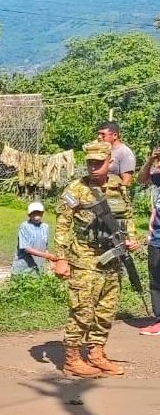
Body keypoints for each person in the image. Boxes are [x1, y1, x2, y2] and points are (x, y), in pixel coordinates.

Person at [53, 141, 139, 378]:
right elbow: (62, 224)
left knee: (105, 310)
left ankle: (97, 353)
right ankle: (71, 359)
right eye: (89, 163)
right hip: (85, 258)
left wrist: (131, 237)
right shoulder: (76, 189)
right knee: (82, 310)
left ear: (110, 163)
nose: (93, 167)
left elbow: (128, 215)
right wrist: (60, 258)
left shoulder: (118, 186)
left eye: (98, 163)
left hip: (112, 258)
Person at [138, 145, 160, 335]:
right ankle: (159, 320)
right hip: (156, 238)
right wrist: (150, 160)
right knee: (155, 280)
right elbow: (141, 179)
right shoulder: (158, 176)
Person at [12, 201, 58, 275]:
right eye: (34, 214)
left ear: (42, 214)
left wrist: (50, 261)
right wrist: (47, 256)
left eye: (39, 213)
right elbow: (27, 249)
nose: (37, 217)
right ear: (29, 214)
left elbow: (45, 247)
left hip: (38, 267)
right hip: (23, 267)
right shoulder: (24, 226)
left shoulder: (45, 227)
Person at [97, 121, 136, 187]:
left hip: (112, 194)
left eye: (103, 134)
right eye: (98, 134)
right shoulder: (102, 150)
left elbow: (126, 182)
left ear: (115, 135)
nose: (99, 137)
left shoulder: (124, 152)